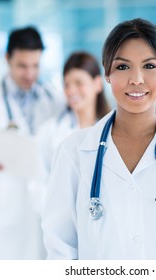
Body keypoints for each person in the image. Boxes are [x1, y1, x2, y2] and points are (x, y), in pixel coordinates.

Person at [42, 18, 156, 260]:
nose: (137, 79)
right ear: (107, 73)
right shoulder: (74, 151)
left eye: (149, 66)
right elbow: (60, 248)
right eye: (122, 67)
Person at [0, 26, 62, 259]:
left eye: (35, 66)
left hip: (42, 212)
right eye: (22, 66)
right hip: (2, 214)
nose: (30, 74)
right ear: (7, 59)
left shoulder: (53, 100)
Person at [32, 52, 110, 212]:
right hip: (61, 221)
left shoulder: (114, 130)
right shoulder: (49, 131)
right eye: (66, 85)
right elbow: (37, 183)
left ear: (97, 84)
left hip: (105, 222)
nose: (71, 90)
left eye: (78, 83)